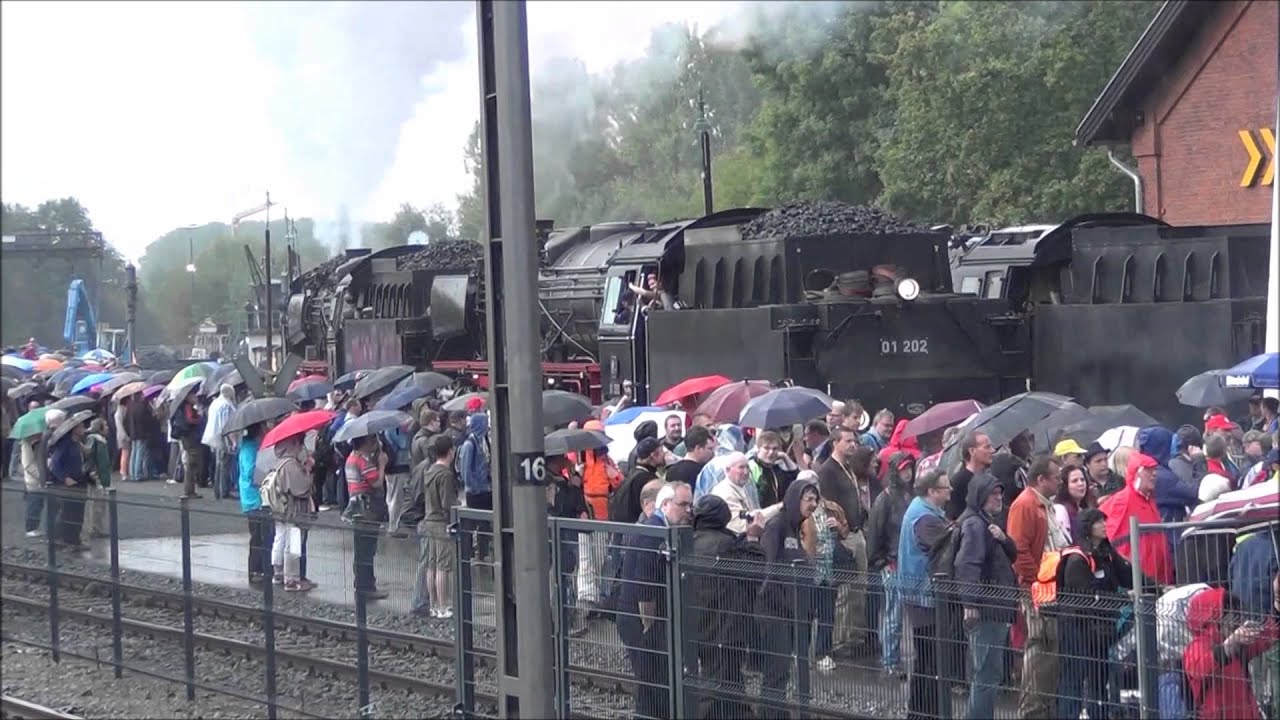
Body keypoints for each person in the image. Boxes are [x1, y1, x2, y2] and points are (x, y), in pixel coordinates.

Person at [617, 481, 692, 720]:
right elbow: (645, 584)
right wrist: (649, 624)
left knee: (657, 681)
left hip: (648, 617)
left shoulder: (663, 529)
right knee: (652, 684)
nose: (688, 510)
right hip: (640, 618)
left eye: (690, 505)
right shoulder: (654, 532)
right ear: (666, 504)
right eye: (683, 505)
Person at [1054, 508, 1133, 720]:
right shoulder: (1077, 559)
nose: (1104, 525)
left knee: (1100, 678)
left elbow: (1128, 576)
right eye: (1099, 522)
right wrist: (1124, 599)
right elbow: (1085, 598)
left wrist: (1155, 588)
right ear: (1088, 527)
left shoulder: (1106, 552)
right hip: (1076, 627)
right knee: (1074, 679)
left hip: (1099, 628)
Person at [954, 472, 1017, 720]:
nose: (998, 498)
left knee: (989, 673)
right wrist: (970, 604)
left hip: (995, 607)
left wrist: (1004, 538)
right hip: (986, 609)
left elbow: (1011, 556)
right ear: (980, 496)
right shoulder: (974, 524)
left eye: (1000, 493)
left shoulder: (987, 523)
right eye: (992, 494)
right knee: (985, 673)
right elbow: (967, 565)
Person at [1007, 454, 1065, 720]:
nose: (1060, 482)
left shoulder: (1044, 505)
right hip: (1038, 589)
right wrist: (1034, 585)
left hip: (1048, 587)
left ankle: (1041, 706)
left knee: (1048, 650)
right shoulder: (1026, 505)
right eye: (1056, 477)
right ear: (1041, 479)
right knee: (1039, 647)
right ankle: (1031, 710)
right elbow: (1019, 549)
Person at [757, 478, 821, 716]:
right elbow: (769, 566)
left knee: (784, 670)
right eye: (809, 499)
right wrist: (780, 600)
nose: (813, 504)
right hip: (774, 610)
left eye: (816, 499)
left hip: (791, 610)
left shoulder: (795, 526)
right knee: (777, 669)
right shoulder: (778, 526)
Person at [897, 469, 953, 720]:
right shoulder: (925, 519)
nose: (950, 493)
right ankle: (923, 713)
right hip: (923, 595)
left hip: (917, 592)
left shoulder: (921, 509)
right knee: (929, 660)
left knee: (927, 660)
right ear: (932, 492)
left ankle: (923, 712)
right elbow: (941, 549)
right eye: (945, 489)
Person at [1183, 586, 1279, 720]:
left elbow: (1268, 635)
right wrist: (1229, 646)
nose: (1237, 622)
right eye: (1231, 615)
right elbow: (1199, 668)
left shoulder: (1239, 645)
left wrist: (1277, 606)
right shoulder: (1197, 646)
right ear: (1214, 618)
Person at [818, 429, 873, 655]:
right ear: (835, 443)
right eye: (848, 441)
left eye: (855, 441)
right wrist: (840, 532)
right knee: (843, 592)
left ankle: (854, 636)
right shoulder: (827, 470)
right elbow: (827, 505)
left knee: (859, 588)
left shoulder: (849, 467)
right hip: (844, 535)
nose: (853, 445)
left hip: (858, 531)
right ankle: (838, 641)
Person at [867, 451, 914, 676]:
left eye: (910, 468)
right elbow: (875, 534)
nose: (908, 473)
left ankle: (894, 659)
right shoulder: (884, 499)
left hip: (908, 564)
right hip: (892, 564)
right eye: (904, 468)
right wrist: (881, 561)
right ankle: (890, 661)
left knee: (901, 615)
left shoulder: (910, 495)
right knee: (893, 616)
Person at [1100, 451, 1174, 585]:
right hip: (1141, 580)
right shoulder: (1123, 500)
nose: (1154, 474)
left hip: (1159, 576)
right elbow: (1105, 530)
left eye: (1154, 470)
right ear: (1137, 473)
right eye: (1149, 470)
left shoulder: (1149, 498)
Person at [410, 434, 458, 619]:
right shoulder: (445, 474)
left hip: (428, 520)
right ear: (451, 452)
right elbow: (447, 503)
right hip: (440, 523)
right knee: (443, 567)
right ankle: (443, 606)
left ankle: (433, 605)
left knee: (431, 565)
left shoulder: (429, 471)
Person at [344, 433, 390, 600]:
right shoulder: (363, 461)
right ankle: (367, 586)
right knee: (368, 549)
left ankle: (361, 584)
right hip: (367, 507)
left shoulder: (350, 458)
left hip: (355, 506)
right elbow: (376, 482)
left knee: (360, 549)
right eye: (371, 440)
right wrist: (381, 465)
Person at [268, 435, 315, 592]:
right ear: (293, 443)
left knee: (279, 539)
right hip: (293, 511)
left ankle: (278, 573)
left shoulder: (279, 462)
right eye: (300, 443)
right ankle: (292, 580)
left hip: (280, 508)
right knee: (293, 544)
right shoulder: (291, 465)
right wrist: (307, 471)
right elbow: (301, 488)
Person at [239, 422, 274, 584]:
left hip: (253, 497)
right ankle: (256, 570)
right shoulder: (250, 449)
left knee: (262, 535)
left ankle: (261, 568)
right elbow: (251, 472)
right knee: (258, 536)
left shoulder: (251, 446)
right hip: (254, 498)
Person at [48, 415, 90, 548]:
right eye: (81, 426)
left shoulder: (77, 443)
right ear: (74, 429)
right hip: (69, 483)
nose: (83, 428)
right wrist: (65, 478)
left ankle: (74, 539)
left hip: (79, 481)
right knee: (69, 513)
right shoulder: (65, 444)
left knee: (78, 513)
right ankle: (67, 540)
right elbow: (55, 464)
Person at [947, 431, 994, 521]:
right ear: (972, 451)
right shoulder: (958, 482)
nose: (992, 450)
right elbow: (954, 517)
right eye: (987, 447)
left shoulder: (989, 477)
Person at [202, 384, 237, 500]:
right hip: (223, 439)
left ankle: (218, 490)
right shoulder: (226, 405)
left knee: (218, 464)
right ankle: (224, 491)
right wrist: (233, 441)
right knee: (224, 465)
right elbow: (226, 425)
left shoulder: (215, 403)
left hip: (213, 437)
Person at [170, 389, 206, 499]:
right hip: (190, 437)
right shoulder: (187, 407)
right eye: (194, 396)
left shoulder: (182, 407)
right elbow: (190, 420)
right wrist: (200, 418)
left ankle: (190, 489)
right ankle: (189, 490)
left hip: (186, 437)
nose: (196, 398)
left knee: (191, 464)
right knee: (192, 463)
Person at [81, 417, 112, 541]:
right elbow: (90, 457)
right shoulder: (93, 440)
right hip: (96, 476)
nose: (108, 428)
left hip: (102, 475)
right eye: (105, 425)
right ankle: (93, 528)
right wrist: (92, 472)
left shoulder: (101, 440)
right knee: (95, 504)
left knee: (101, 504)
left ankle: (98, 528)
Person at [1053, 463, 1096, 542]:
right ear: (1065, 486)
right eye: (1074, 481)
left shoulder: (1084, 508)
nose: (1081, 484)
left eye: (1082, 480)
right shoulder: (1060, 510)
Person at [21, 433, 45, 537]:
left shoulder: (36, 442)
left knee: (38, 503)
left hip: (38, 479)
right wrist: (40, 476)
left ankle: (34, 527)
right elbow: (28, 464)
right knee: (34, 503)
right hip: (33, 480)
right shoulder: (26, 444)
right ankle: (30, 528)